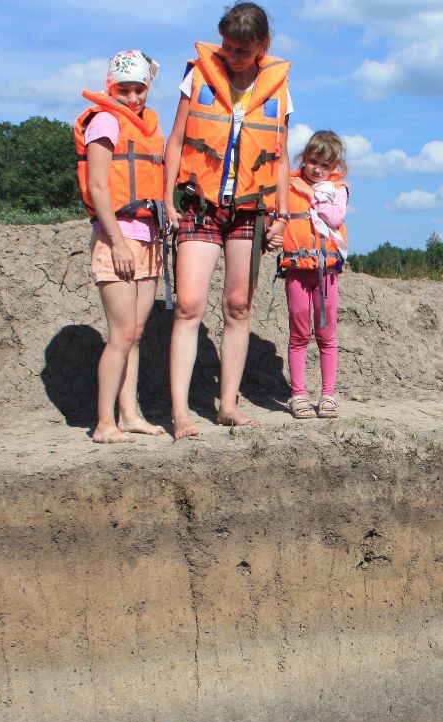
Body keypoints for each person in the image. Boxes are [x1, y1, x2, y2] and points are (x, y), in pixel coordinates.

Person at [162, 2, 291, 436]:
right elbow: (177, 138)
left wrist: (283, 214)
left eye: (242, 50)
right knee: (188, 306)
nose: (232, 56)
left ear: (262, 46)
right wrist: (167, 198)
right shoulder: (198, 74)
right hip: (200, 204)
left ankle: (228, 405)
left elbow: (282, 153)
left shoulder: (279, 88)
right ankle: (179, 412)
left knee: (239, 307)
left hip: (250, 210)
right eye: (227, 47)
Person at [75, 50, 169, 444]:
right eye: (123, 89)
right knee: (121, 333)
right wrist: (115, 242)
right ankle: (103, 424)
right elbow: (98, 187)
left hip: (149, 238)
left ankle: (129, 415)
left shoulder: (149, 128)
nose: (132, 98)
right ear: (110, 87)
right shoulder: (105, 120)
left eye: (138, 89)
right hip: (118, 237)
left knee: (137, 333)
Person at [279, 131, 349, 419]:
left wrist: (310, 194)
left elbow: (334, 218)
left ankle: (328, 395)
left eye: (324, 165)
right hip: (297, 271)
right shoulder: (287, 184)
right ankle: (298, 395)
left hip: (326, 273)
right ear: (304, 159)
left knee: (326, 335)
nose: (316, 169)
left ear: (335, 169)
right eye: (312, 161)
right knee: (298, 335)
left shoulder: (338, 191)